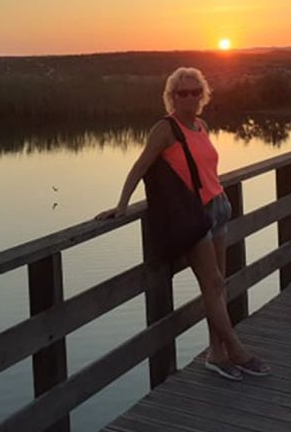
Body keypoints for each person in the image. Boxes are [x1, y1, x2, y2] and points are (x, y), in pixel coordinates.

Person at [96, 67, 270, 381]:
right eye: (182, 92)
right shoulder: (165, 129)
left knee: (218, 285)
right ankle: (237, 350)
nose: (189, 97)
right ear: (171, 96)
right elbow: (140, 166)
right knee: (213, 283)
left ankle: (216, 354)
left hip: (218, 207)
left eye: (194, 92)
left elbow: (205, 168)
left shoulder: (201, 125)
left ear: (202, 95)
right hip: (193, 215)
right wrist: (121, 206)